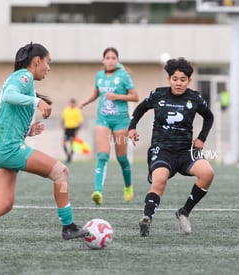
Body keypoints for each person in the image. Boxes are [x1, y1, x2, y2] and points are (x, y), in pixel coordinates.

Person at [0, 42, 87, 252]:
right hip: (8, 148)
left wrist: (27, 131)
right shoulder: (23, 77)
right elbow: (9, 96)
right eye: (48, 62)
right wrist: (37, 102)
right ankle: (68, 226)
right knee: (61, 172)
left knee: (4, 203)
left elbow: (5, 113)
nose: (49, 68)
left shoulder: (17, 79)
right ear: (37, 61)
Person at [128, 57, 215, 237]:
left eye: (183, 80)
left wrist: (201, 138)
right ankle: (147, 219)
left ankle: (184, 212)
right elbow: (140, 109)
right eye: (175, 79)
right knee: (159, 181)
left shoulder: (194, 98)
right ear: (169, 79)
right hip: (162, 149)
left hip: (185, 151)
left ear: (188, 81)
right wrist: (132, 127)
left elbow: (209, 117)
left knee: (208, 174)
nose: (178, 83)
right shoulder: (157, 95)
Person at [80, 47, 139, 205]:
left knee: (121, 158)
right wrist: (86, 101)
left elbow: (135, 96)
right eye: (108, 57)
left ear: (117, 60)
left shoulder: (124, 76)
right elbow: (96, 92)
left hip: (121, 121)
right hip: (103, 120)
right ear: (103, 60)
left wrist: (117, 96)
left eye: (114, 58)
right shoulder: (99, 76)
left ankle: (128, 187)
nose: (110, 60)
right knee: (102, 156)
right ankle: (98, 191)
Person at [62, 98, 83, 163]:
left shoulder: (77, 111)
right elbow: (63, 120)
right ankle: (68, 156)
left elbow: (80, 122)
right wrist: (63, 128)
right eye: (71, 103)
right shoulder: (66, 110)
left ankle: (70, 157)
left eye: (73, 103)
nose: (72, 104)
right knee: (64, 143)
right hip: (67, 128)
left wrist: (77, 131)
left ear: (75, 104)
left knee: (72, 144)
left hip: (73, 129)